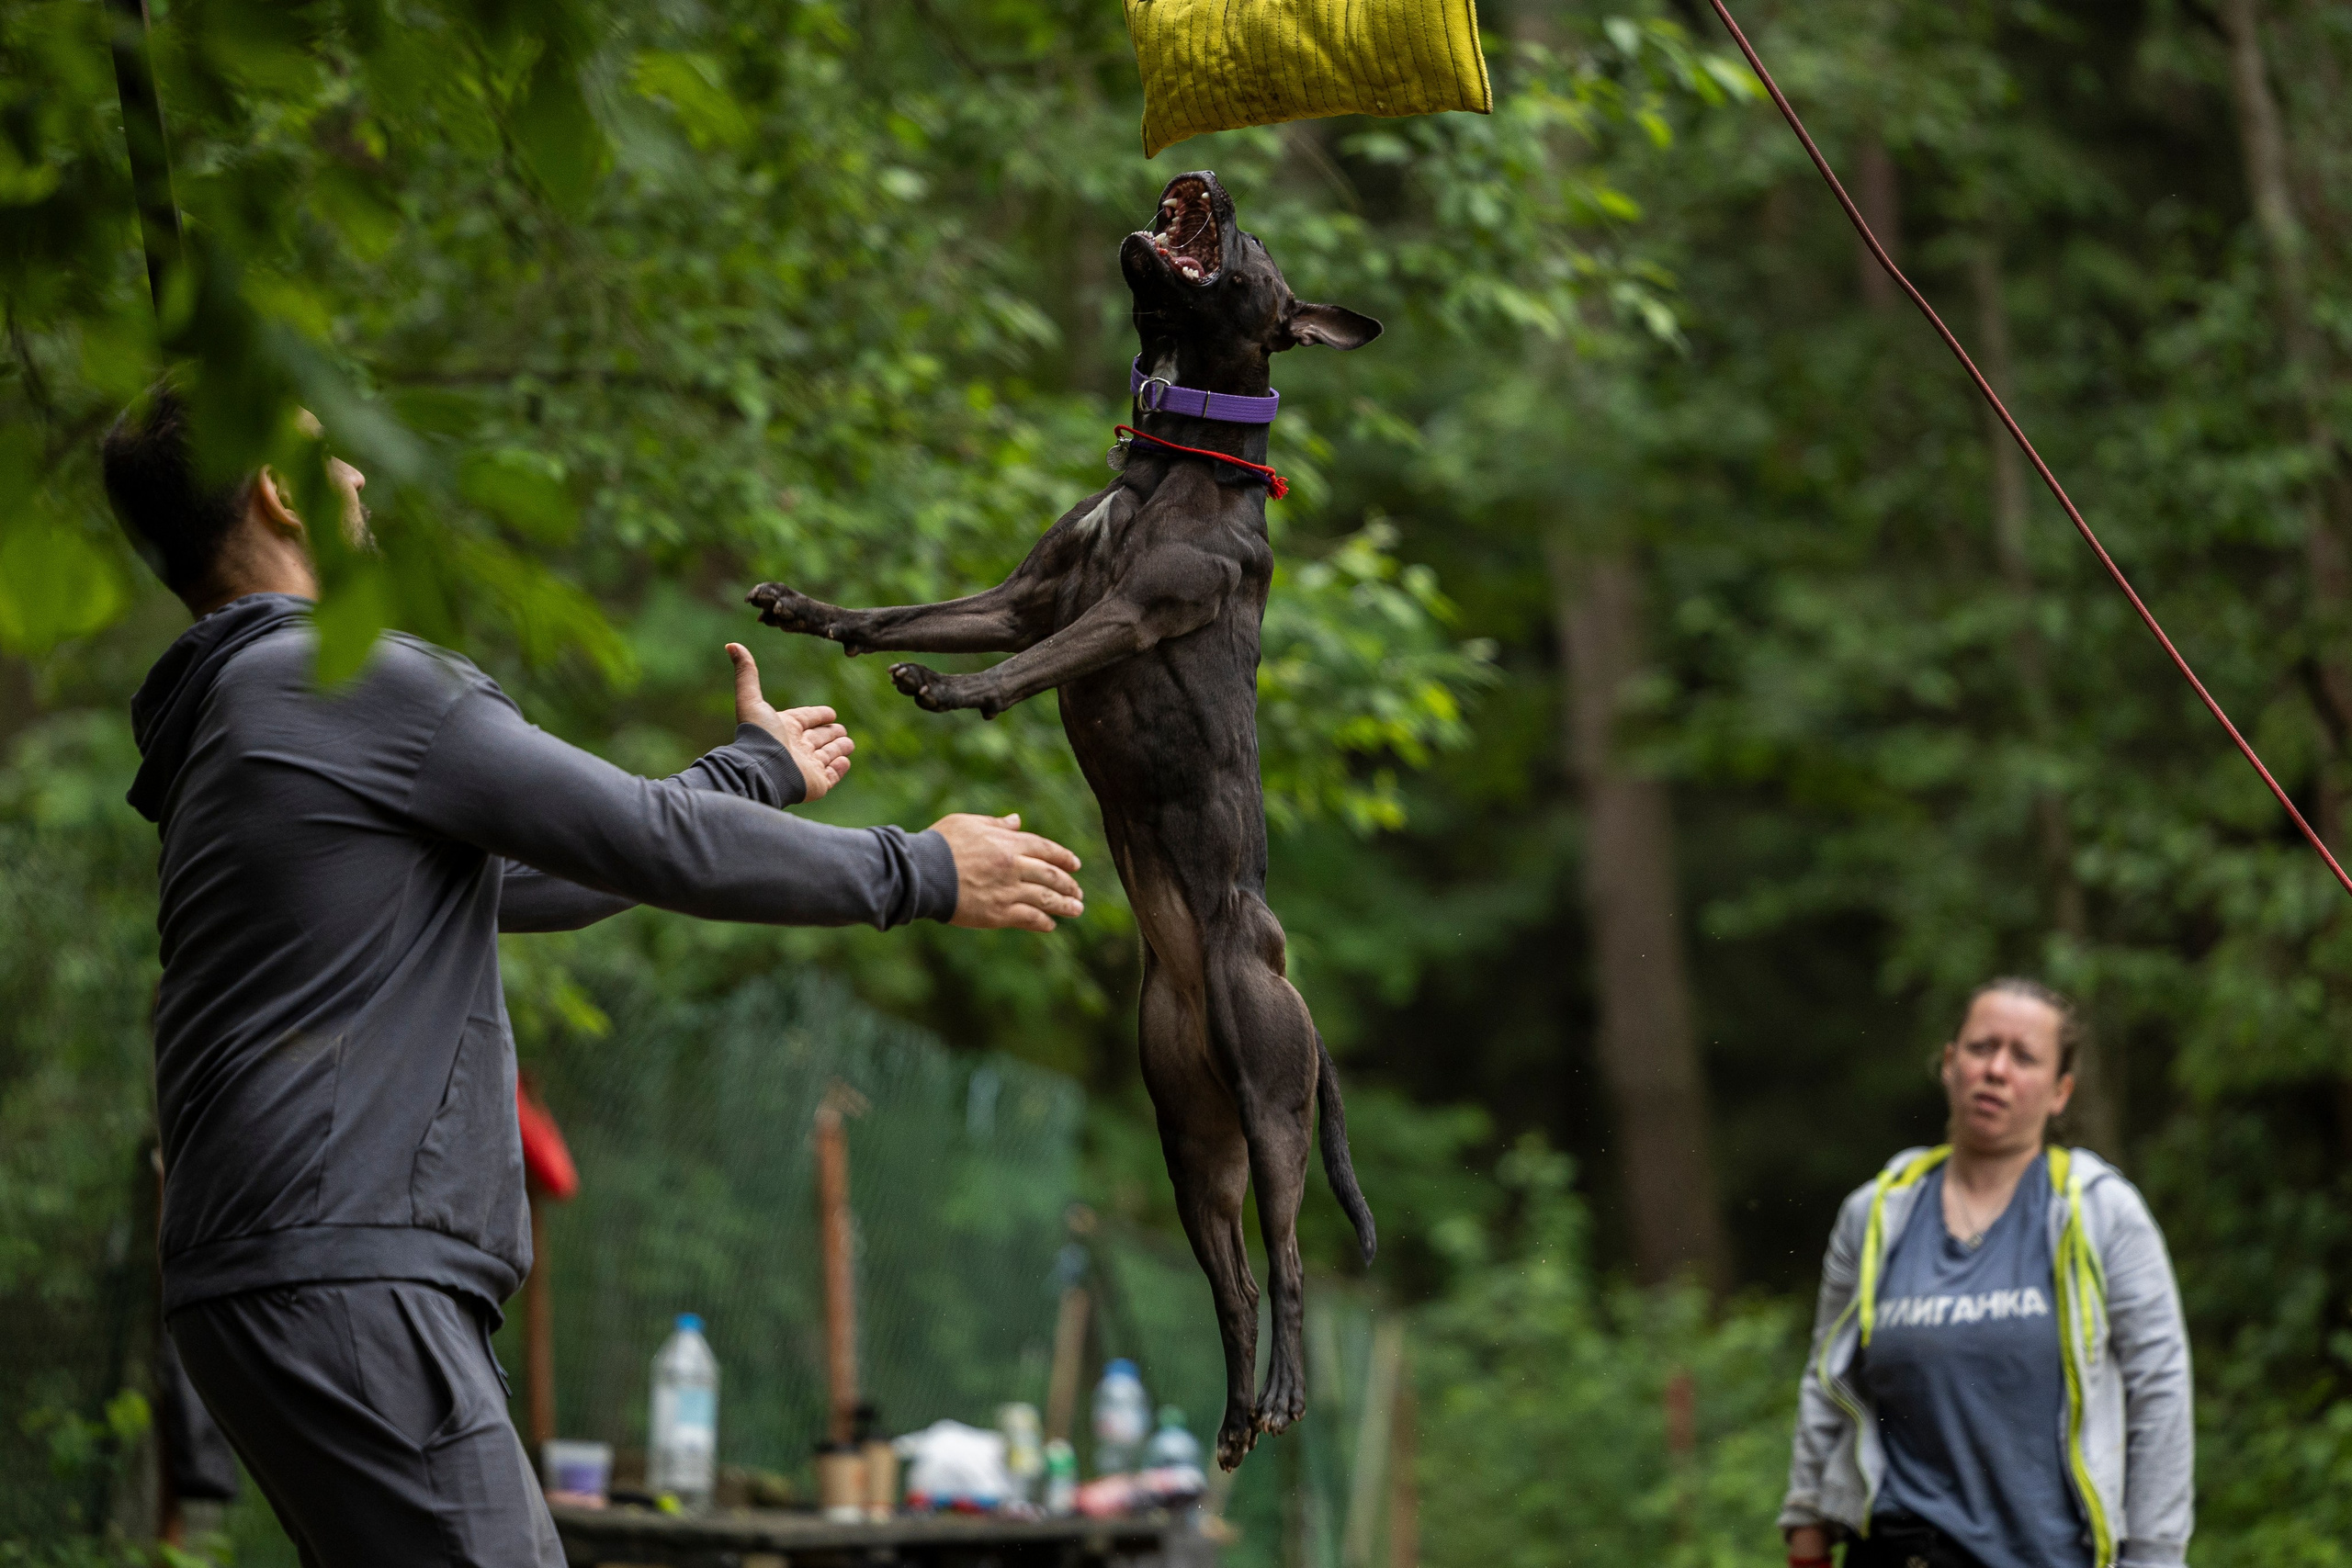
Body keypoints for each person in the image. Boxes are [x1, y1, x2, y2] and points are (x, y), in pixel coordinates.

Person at [102, 382, 1087, 1567]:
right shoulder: (342, 678)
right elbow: (639, 838)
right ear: (277, 492)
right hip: (348, 1262)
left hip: (267, 1272)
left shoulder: (238, 713)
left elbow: (541, 874)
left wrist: (750, 775)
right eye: (326, 456)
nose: (357, 478)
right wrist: (918, 868)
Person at [1780, 978, 2194, 1568]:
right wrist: (1806, 1522)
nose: (1997, 1070)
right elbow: (1827, 1377)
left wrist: (2153, 1557)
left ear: (2060, 1092)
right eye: (1981, 1048)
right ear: (1950, 1065)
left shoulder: (2102, 1212)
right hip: (1899, 1550)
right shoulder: (1877, 1213)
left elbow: (2160, 1390)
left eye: (2024, 1057)